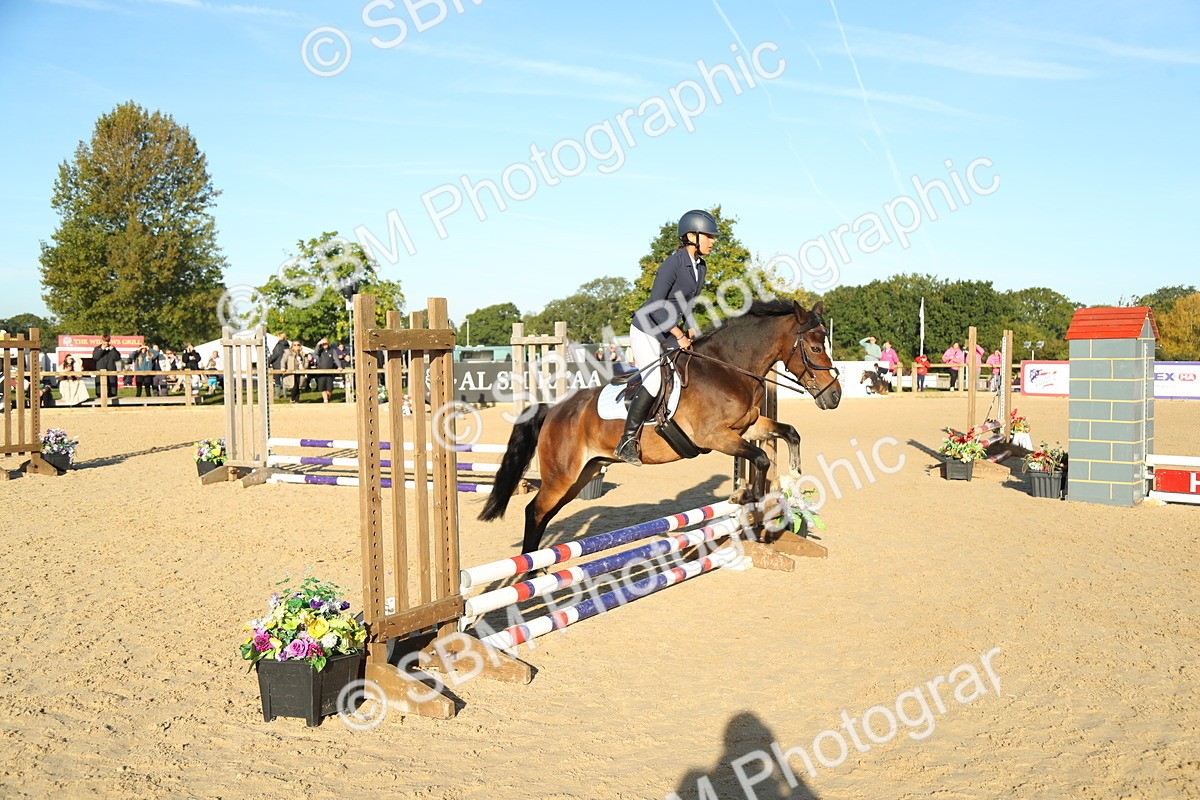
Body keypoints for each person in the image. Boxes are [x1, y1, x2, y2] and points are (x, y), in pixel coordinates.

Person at [615, 209, 715, 465]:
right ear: (692, 236)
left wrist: (692, 327)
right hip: (647, 328)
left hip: (668, 330)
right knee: (653, 383)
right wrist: (679, 333)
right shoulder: (672, 263)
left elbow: (688, 303)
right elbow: (656, 304)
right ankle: (627, 441)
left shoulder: (699, 267)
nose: (713, 241)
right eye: (709, 236)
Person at [92, 335, 122, 400]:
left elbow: (117, 358)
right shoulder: (97, 348)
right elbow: (95, 357)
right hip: (101, 370)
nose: (106, 343)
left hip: (111, 370)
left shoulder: (112, 349)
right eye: (105, 341)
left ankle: (113, 398)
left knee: (112, 389)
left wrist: (113, 350)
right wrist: (102, 349)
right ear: (102, 341)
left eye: (107, 341)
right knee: (100, 388)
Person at [315, 338, 338, 403]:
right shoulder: (320, 350)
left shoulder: (332, 350)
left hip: (330, 372)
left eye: (326, 343)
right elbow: (315, 352)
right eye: (323, 343)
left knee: (329, 389)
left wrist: (339, 366)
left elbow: (336, 359)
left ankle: (328, 397)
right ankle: (325, 400)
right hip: (321, 372)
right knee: (322, 388)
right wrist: (318, 344)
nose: (325, 345)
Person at [268, 332, 290, 399]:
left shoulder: (278, 345)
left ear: (280, 337)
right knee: (284, 380)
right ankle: (285, 394)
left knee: (277, 380)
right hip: (285, 364)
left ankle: (277, 394)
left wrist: (269, 361)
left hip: (277, 364)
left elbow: (275, 355)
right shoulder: (287, 345)